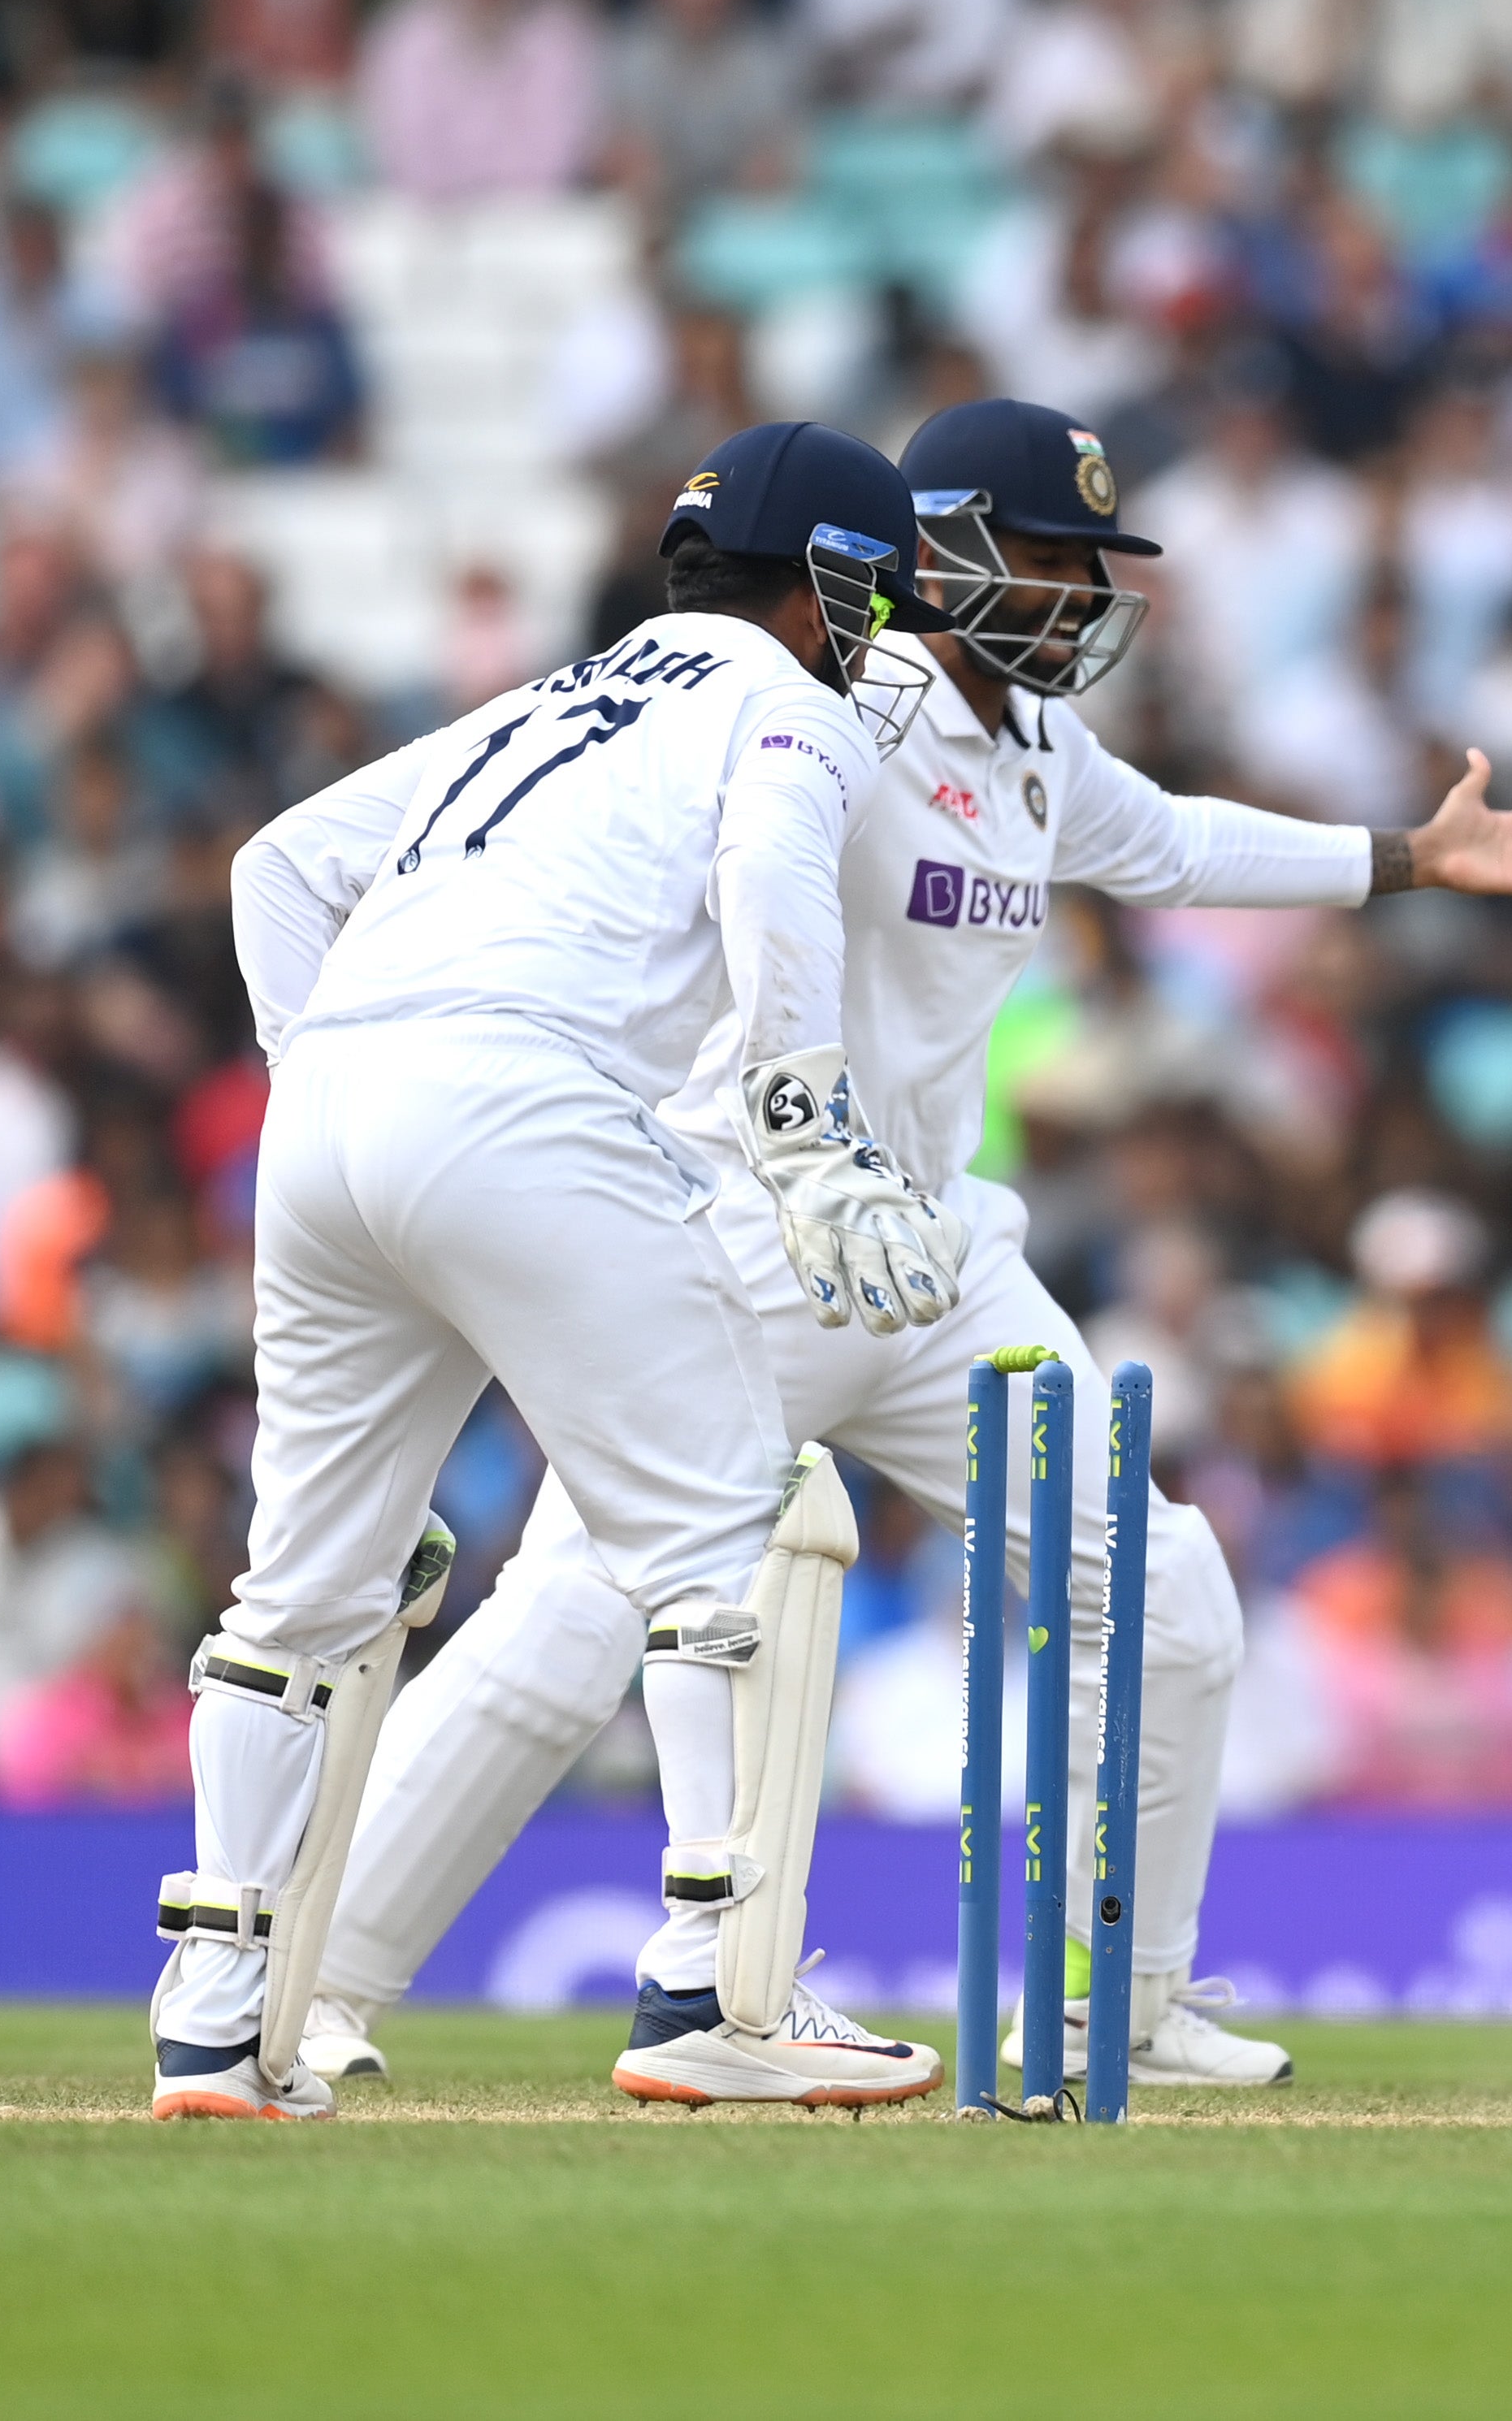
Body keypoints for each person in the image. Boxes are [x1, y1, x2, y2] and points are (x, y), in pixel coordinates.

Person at [300, 396, 1512, 2093]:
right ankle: (324, 1992)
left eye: (1093, 569)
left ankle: (1115, 2005)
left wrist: (1414, 857)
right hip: (752, 1233)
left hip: (936, 1263)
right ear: (945, 553)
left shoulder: (1038, 749)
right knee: (573, 1623)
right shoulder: (834, 715)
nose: (1077, 598)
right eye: (1051, 560)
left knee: (1170, 1591)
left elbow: (1181, 847)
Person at [171, 419, 973, 2121]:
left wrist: (327, 1072)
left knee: (301, 1594)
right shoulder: (791, 707)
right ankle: (720, 1987)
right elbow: (767, 871)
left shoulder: (543, 701)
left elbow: (278, 867)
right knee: (733, 1536)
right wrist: (809, 1128)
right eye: (884, 600)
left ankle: (217, 2013)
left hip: (323, 1110)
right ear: (830, 587)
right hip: (529, 1097)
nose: (892, 639)